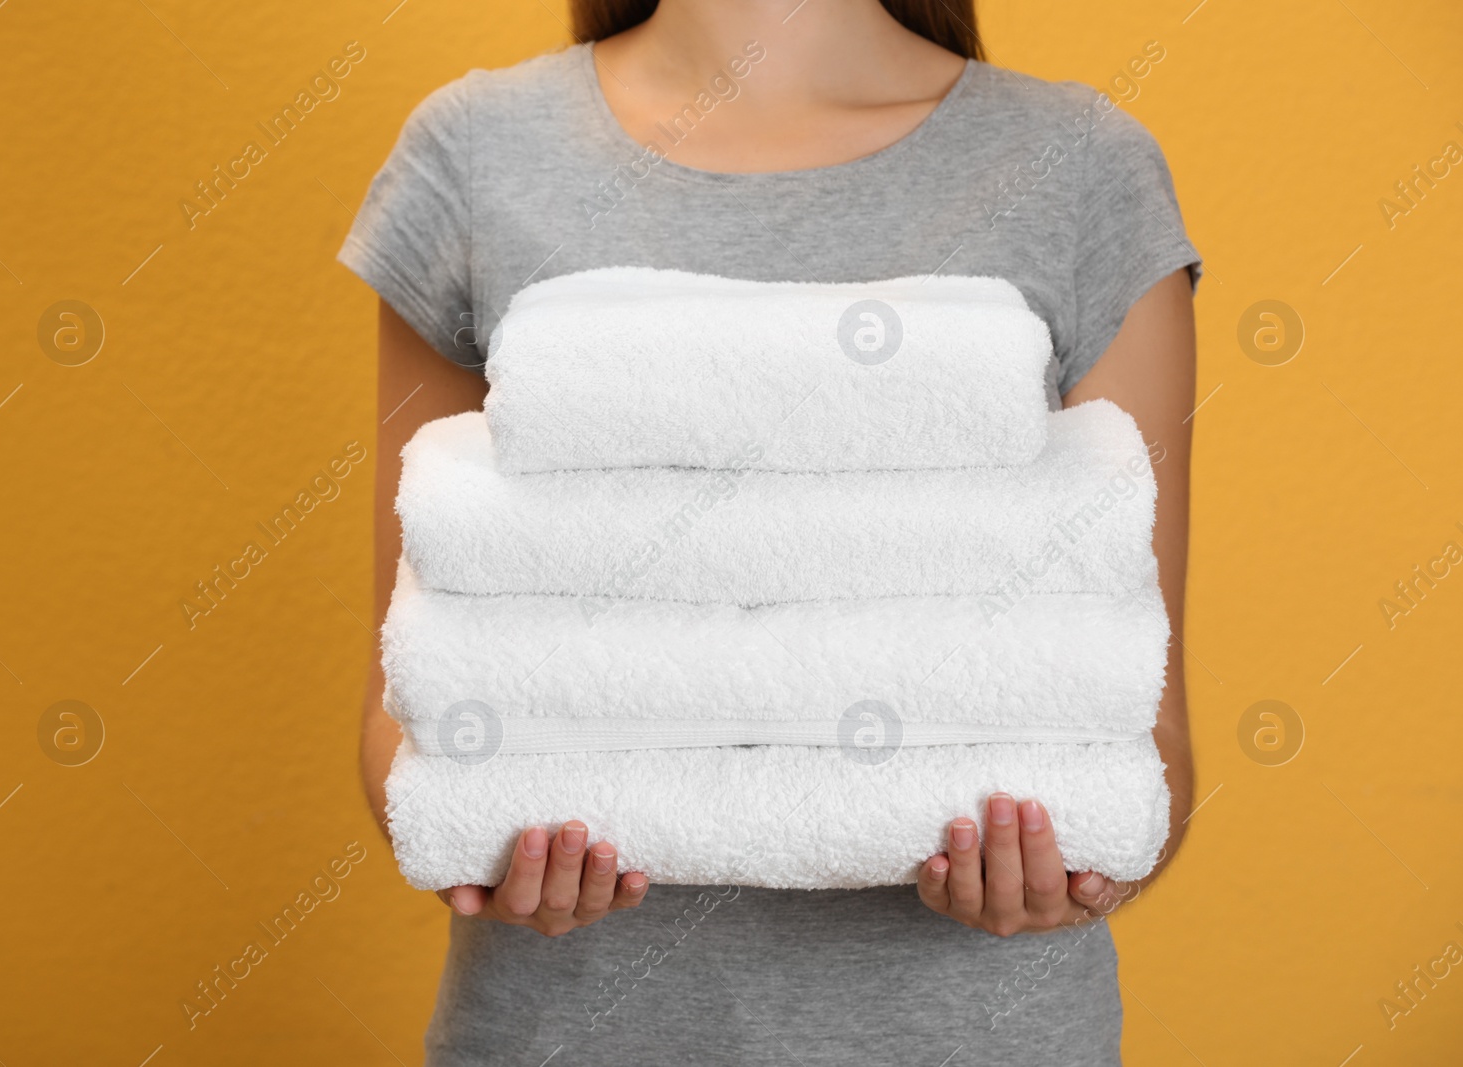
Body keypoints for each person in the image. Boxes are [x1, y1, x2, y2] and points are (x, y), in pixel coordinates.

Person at [342, 1, 1198, 1061]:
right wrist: (485, 837)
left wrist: (1075, 870)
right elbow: (412, 697)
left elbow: (1140, 732)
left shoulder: (1078, 168)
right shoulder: (478, 152)